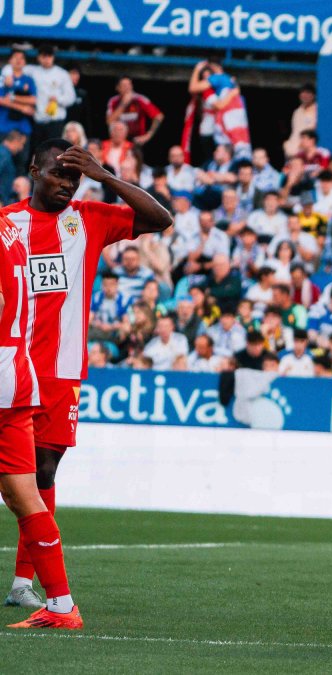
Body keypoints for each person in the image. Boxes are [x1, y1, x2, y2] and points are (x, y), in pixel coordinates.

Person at [1, 139, 172, 608]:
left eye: (74, 177)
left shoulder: (88, 218)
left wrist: (106, 177)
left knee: (43, 472)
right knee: (20, 480)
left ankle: (22, 584)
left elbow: (161, 219)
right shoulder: (6, 224)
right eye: (59, 173)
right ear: (34, 169)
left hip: (59, 371)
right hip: (12, 365)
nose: (67, 184)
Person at [0, 213, 82, 628]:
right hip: (14, 374)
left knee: (26, 493)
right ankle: (62, 606)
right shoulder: (10, 230)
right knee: (23, 496)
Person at [27, 47, 75, 150]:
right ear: (39, 57)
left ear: (53, 57)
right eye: (44, 56)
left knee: (54, 154)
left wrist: (58, 99)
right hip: (38, 121)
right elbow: (12, 69)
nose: (47, 59)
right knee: (37, 154)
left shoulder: (62, 74)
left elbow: (71, 98)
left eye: (49, 56)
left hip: (55, 122)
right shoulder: (32, 71)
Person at [105, 78, 162, 148]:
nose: (128, 88)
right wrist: (123, 104)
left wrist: (148, 135)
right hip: (120, 142)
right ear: (118, 88)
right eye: (124, 85)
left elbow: (158, 116)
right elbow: (109, 121)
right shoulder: (113, 101)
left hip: (137, 142)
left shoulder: (140, 99)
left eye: (129, 84)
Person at [284, 84, 317, 158]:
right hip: (291, 152)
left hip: (306, 153)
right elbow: (294, 131)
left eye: (308, 93)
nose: (305, 95)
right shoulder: (297, 112)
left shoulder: (317, 111)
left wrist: (303, 145)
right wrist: (287, 144)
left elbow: (313, 131)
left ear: (313, 96)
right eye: (303, 93)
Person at [0, 130, 25, 204]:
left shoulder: (5, 154)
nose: (21, 148)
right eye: (21, 144)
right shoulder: (3, 155)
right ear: (15, 141)